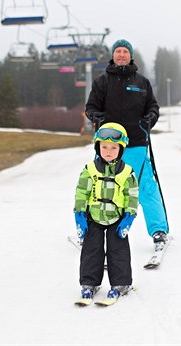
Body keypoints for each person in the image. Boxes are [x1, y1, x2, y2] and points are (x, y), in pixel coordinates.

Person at [85, 39, 169, 248]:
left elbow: (153, 107)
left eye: (125, 51)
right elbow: (90, 107)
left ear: (130, 56)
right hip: (108, 144)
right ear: (113, 55)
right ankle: (90, 230)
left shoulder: (142, 83)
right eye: (118, 51)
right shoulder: (101, 82)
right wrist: (98, 117)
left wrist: (149, 118)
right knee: (101, 187)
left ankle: (158, 230)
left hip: (136, 143)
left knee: (146, 187)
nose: (121, 54)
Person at [73, 122, 139, 300]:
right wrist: (79, 214)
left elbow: (132, 195)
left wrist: (129, 216)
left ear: (121, 149)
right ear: (97, 147)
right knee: (91, 251)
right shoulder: (90, 170)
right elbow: (81, 192)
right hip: (93, 217)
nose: (108, 151)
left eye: (113, 147)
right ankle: (89, 283)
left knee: (118, 251)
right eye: (104, 147)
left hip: (117, 219)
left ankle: (121, 283)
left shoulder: (127, 172)